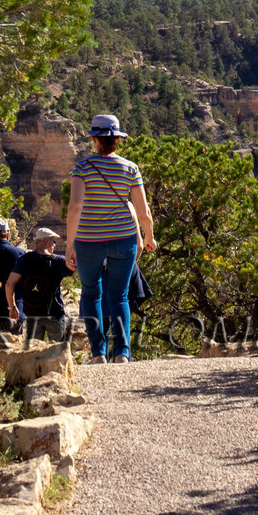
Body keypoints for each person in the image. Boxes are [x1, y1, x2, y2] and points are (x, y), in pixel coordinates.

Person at [66, 114, 156, 363]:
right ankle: (123, 353)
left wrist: (69, 245)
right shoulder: (131, 168)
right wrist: (149, 237)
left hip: (88, 240)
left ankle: (98, 353)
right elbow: (143, 211)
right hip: (123, 239)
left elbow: (74, 207)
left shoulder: (82, 168)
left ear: (94, 138)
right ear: (117, 139)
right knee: (120, 296)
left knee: (91, 293)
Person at [7, 227, 70, 341]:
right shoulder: (58, 261)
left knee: (34, 353)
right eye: (53, 241)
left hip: (32, 315)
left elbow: (9, 284)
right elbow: (75, 268)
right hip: (54, 314)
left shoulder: (23, 260)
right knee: (58, 352)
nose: (55, 245)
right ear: (46, 242)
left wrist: (12, 307)